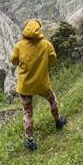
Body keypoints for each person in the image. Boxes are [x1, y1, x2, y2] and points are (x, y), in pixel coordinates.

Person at [10, 19, 67, 150]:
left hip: (25, 87)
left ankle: (30, 140)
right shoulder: (46, 45)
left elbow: (13, 61)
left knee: (28, 112)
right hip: (42, 84)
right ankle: (58, 121)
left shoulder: (19, 46)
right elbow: (53, 59)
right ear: (39, 30)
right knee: (52, 100)